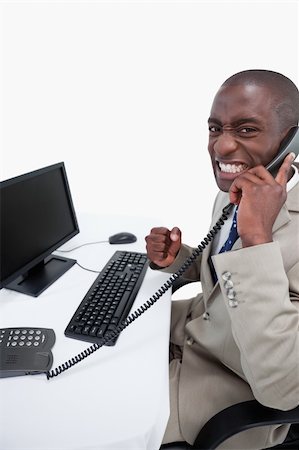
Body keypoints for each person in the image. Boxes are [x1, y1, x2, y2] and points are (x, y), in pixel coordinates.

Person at [145, 70, 299, 449]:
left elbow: (283, 386)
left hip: (221, 392)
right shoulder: (236, 192)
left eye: (246, 130)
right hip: (197, 335)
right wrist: (179, 259)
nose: (222, 147)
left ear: (293, 138)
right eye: (215, 129)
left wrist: (257, 239)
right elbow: (226, 275)